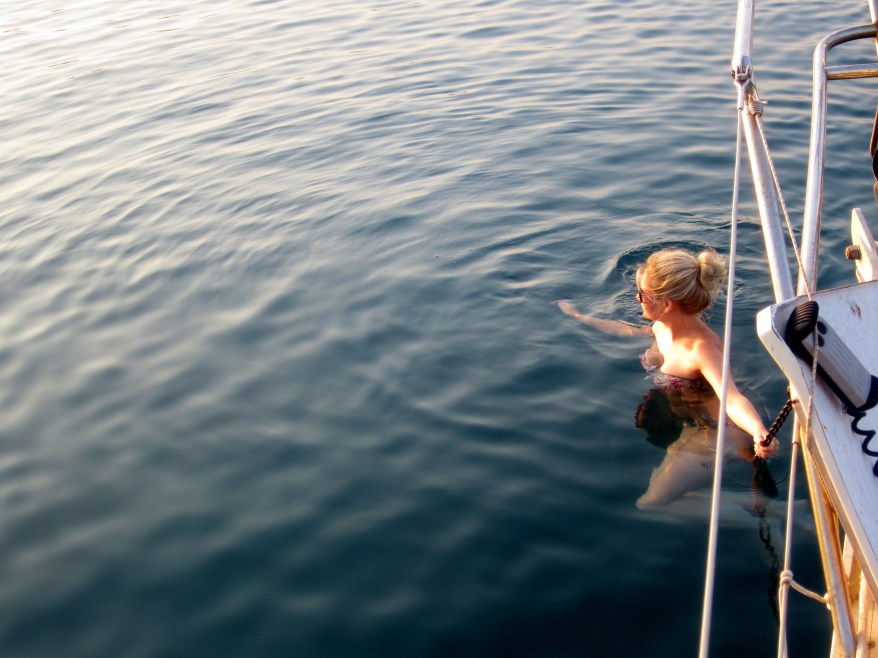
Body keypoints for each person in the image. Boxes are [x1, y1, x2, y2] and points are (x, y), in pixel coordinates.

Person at [555, 247, 778, 511]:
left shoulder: (702, 350)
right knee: (656, 492)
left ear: (666, 303)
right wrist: (580, 317)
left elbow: (732, 398)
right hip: (694, 425)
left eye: (642, 295)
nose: (637, 299)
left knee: (651, 504)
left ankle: (773, 514)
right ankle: (775, 511)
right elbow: (627, 330)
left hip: (720, 436)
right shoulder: (662, 327)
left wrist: (759, 432)